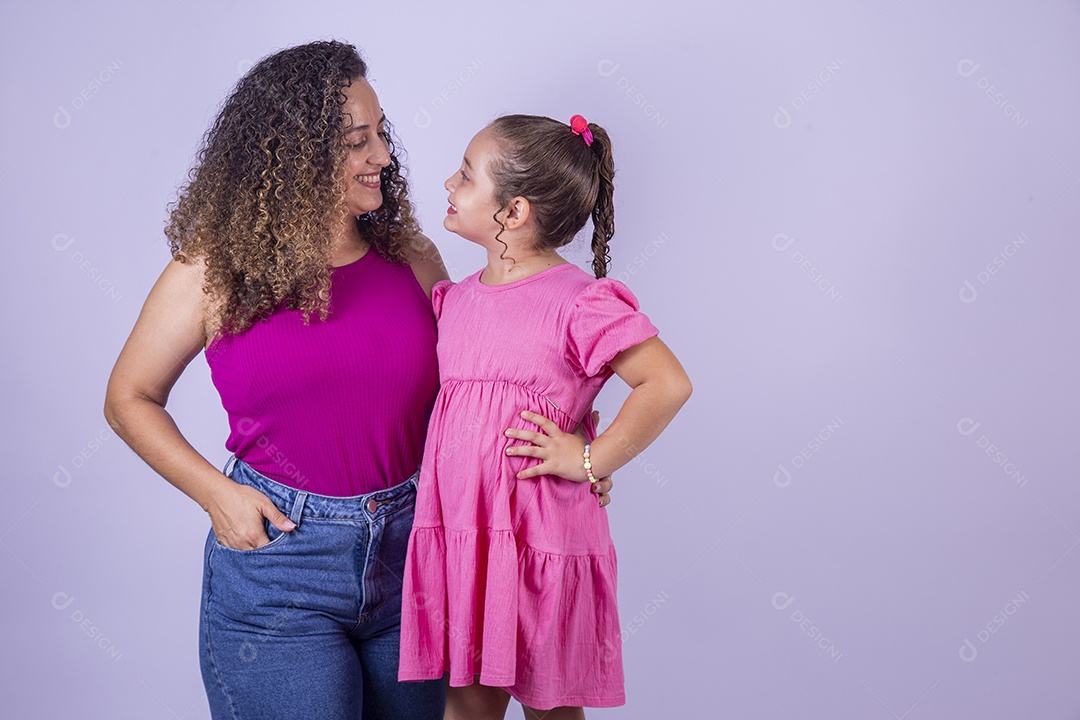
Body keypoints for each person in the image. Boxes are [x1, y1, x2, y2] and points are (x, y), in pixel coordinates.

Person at [102, 42, 612, 719]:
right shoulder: (210, 273)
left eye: (381, 134)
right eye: (356, 141)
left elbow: (485, 382)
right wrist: (217, 496)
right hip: (282, 566)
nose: (385, 156)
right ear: (290, 157)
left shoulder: (412, 259)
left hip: (420, 558)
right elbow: (129, 398)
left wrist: (576, 456)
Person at [397, 114, 693, 719]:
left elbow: (666, 382)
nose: (449, 183)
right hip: (466, 534)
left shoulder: (579, 301)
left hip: (542, 540)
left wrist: (591, 459)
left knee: (550, 704)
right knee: (464, 700)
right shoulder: (458, 298)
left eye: (466, 175)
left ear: (514, 211)